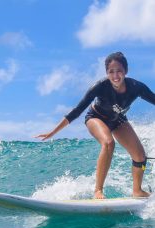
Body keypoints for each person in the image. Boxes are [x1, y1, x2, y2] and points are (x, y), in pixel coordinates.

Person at [35, 52, 155, 199]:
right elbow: (77, 110)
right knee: (108, 142)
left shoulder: (136, 87)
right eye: (111, 71)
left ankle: (137, 190)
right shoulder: (100, 86)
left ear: (126, 71)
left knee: (140, 156)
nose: (115, 75)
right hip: (96, 117)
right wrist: (53, 132)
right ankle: (98, 190)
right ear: (106, 73)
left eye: (119, 71)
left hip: (118, 120)